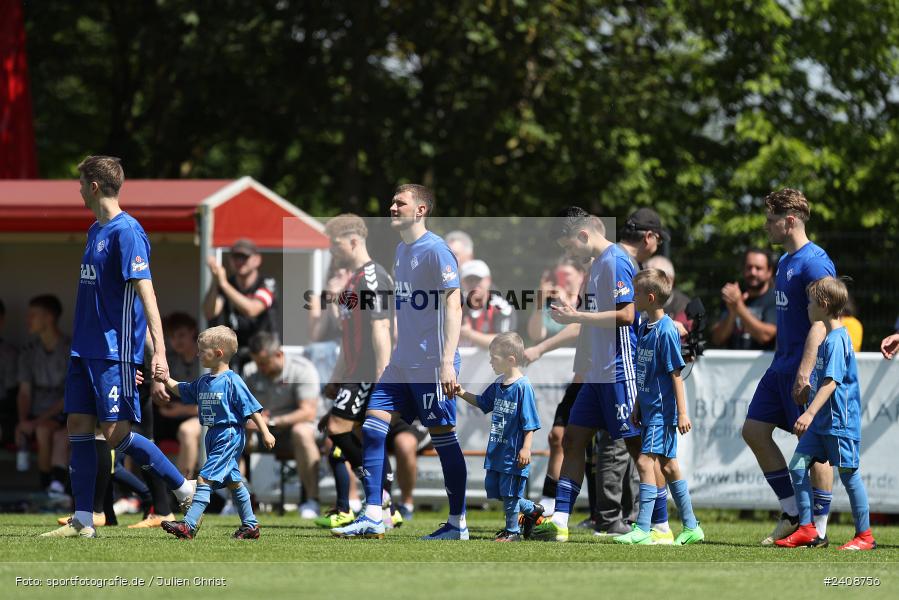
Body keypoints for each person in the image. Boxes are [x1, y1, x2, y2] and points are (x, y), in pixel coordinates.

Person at [42, 155, 195, 538]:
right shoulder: (95, 230)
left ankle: (182, 487)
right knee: (77, 428)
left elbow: (147, 296)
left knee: (116, 435)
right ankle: (82, 520)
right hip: (83, 351)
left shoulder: (128, 232)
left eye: (81, 183)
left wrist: (157, 353)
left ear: (94, 186)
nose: (78, 189)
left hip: (114, 353)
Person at [332, 184, 467, 540]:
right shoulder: (401, 249)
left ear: (420, 210)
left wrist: (447, 362)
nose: (392, 207)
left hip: (431, 364)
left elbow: (454, 305)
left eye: (399, 203)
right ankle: (374, 514)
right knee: (373, 428)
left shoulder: (437, 250)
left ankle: (457, 523)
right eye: (392, 201)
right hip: (401, 362)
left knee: (443, 439)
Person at [532, 207, 666, 542]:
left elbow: (626, 315)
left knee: (639, 449)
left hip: (621, 372)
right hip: (596, 376)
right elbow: (593, 323)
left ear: (582, 235)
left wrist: (577, 316)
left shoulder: (617, 261)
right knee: (573, 440)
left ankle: (660, 525)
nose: (569, 254)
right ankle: (560, 521)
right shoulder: (595, 267)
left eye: (568, 247)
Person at [741, 188, 836, 547]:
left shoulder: (816, 262)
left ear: (790, 221)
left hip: (803, 370)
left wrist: (805, 371)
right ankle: (794, 512)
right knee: (753, 431)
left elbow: (824, 321)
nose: (766, 226)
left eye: (771, 220)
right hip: (779, 367)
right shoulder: (783, 261)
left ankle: (820, 529)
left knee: (812, 448)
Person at [314, 213, 401, 529]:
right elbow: (347, 336)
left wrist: (383, 378)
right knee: (354, 436)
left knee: (337, 429)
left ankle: (381, 498)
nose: (332, 250)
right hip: (353, 372)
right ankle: (382, 502)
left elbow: (382, 329)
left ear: (353, 240)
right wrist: (336, 378)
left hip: (367, 372)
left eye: (335, 244)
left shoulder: (373, 276)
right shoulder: (352, 281)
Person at [776, 277, 875, 550]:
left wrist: (807, 413)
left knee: (849, 475)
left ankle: (864, 536)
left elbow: (832, 383)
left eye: (809, 302)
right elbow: (824, 381)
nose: (806, 307)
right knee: (797, 466)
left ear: (823, 304)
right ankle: (808, 529)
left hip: (839, 424)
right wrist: (808, 391)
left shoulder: (837, 340)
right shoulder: (829, 338)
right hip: (822, 424)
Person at [612, 269, 703, 545]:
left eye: (636, 293)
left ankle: (642, 529)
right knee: (669, 466)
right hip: (649, 408)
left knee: (643, 460)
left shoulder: (665, 331)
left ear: (650, 298)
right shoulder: (643, 326)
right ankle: (691, 527)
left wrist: (682, 413)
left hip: (663, 412)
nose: (632, 296)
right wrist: (638, 403)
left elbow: (676, 374)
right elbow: (646, 372)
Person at [159, 326, 276, 540]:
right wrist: (166, 379)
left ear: (219, 353)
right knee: (234, 482)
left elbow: (252, 408)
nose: (198, 354)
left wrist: (265, 432)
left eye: (202, 350)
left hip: (229, 434)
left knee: (205, 479)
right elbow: (183, 389)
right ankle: (250, 525)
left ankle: (189, 525)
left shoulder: (233, 381)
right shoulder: (203, 381)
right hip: (212, 434)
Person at [455, 332, 542, 541]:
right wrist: (461, 392)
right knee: (499, 491)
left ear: (510, 360)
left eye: (494, 358)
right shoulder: (498, 383)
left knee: (510, 493)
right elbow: (483, 403)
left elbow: (530, 421)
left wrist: (526, 448)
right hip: (497, 449)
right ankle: (532, 510)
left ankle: (512, 532)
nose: (490, 362)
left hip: (513, 452)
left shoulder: (523, 387)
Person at [243, 331, 322, 518]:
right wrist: (253, 422)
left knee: (301, 432)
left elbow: (308, 412)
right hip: (263, 433)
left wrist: (270, 421)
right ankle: (237, 500)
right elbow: (242, 408)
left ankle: (312, 501)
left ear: (278, 354)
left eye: (264, 363)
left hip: (302, 431)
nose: (260, 368)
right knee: (232, 432)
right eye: (257, 363)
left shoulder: (302, 369)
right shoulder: (250, 372)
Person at [15, 295, 70, 496]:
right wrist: (23, 422)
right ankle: (49, 488)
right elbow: (24, 392)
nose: (28, 320)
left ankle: (53, 487)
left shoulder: (70, 349)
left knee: (50, 431)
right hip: (38, 416)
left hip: (66, 413)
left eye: (33, 315)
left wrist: (35, 421)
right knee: (42, 430)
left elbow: (69, 395)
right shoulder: (29, 351)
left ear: (49, 317)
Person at [203, 238, 278, 370]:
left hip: (262, 354)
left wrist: (224, 284)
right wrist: (215, 281)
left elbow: (252, 309)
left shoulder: (267, 283)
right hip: (234, 353)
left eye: (244, 257)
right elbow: (210, 312)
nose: (239, 262)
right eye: (236, 257)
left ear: (257, 259)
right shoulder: (226, 284)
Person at [150, 313, 202, 478]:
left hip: (202, 417)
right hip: (169, 418)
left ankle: (182, 491)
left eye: (181, 335)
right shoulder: (170, 362)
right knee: (140, 431)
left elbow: (216, 404)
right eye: (172, 336)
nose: (177, 341)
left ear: (193, 332)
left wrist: (182, 410)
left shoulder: (206, 362)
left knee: (186, 431)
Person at [710, 249, 777, 350]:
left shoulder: (776, 298)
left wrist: (738, 307)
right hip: (732, 364)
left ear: (769, 272)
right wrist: (732, 313)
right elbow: (717, 339)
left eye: (758, 268)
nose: (753, 272)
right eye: (749, 267)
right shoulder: (733, 296)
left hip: (765, 364)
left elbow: (765, 336)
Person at [459, 259, 517, 350]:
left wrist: (470, 335)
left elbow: (505, 343)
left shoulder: (502, 307)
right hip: (461, 363)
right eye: (469, 280)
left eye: (477, 279)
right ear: (463, 283)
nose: (474, 284)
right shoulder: (455, 307)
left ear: (488, 280)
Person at [643, 256, 691, 331]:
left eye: (652, 279)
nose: (645, 283)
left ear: (669, 281)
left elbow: (682, 336)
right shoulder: (639, 300)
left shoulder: (683, 306)